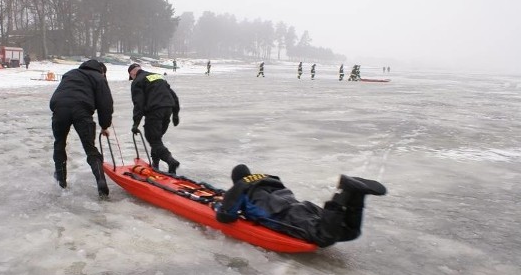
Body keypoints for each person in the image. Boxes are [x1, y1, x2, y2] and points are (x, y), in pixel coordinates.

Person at [214, 164, 387, 248]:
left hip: (283, 216)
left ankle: (345, 192)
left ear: (236, 180)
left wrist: (220, 205)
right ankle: (357, 195)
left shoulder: (240, 186)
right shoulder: (268, 177)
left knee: (324, 238)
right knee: (350, 232)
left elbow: (226, 216)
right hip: (301, 207)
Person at [50, 59, 113, 197]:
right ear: (101, 70)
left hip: (59, 109)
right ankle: (101, 182)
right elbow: (106, 103)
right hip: (82, 111)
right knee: (90, 148)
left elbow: (61, 92)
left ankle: (61, 182)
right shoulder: (99, 77)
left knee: (59, 144)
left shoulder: (70, 73)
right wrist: (104, 125)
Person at [128, 63, 181, 174]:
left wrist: (135, 123)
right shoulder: (157, 76)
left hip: (155, 111)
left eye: (131, 76)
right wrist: (175, 113)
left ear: (132, 73)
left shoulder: (137, 81)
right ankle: (155, 164)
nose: (132, 78)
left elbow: (139, 104)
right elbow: (173, 95)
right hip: (168, 109)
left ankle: (171, 161)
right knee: (157, 139)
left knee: (153, 139)